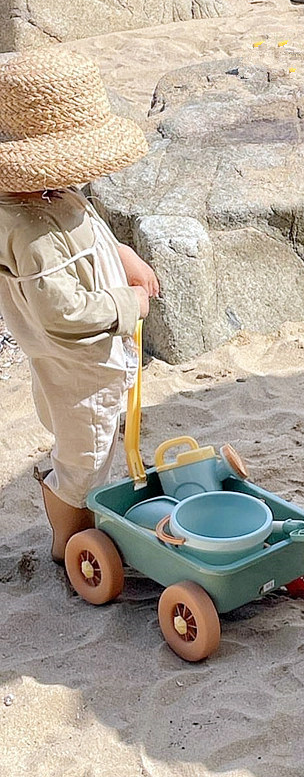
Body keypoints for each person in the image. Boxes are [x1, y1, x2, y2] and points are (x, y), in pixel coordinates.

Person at [0, 49, 157, 564]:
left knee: (91, 439)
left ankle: (73, 509)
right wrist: (126, 301)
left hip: (92, 359)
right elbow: (63, 313)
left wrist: (122, 253)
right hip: (80, 363)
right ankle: (69, 546)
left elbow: (86, 233)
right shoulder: (27, 227)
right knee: (85, 459)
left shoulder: (47, 194)